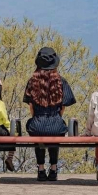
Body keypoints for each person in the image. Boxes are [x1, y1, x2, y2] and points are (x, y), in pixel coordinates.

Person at [23, 47, 76, 182]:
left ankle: (41, 169)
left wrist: (37, 118)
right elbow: (63, 106)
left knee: (36, 130)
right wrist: (57, 117)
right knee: (55, 132)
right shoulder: (61, 81)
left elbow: (31, 107)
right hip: (55, 122)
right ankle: (53, 169)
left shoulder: (32, 81)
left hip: (37, 123)